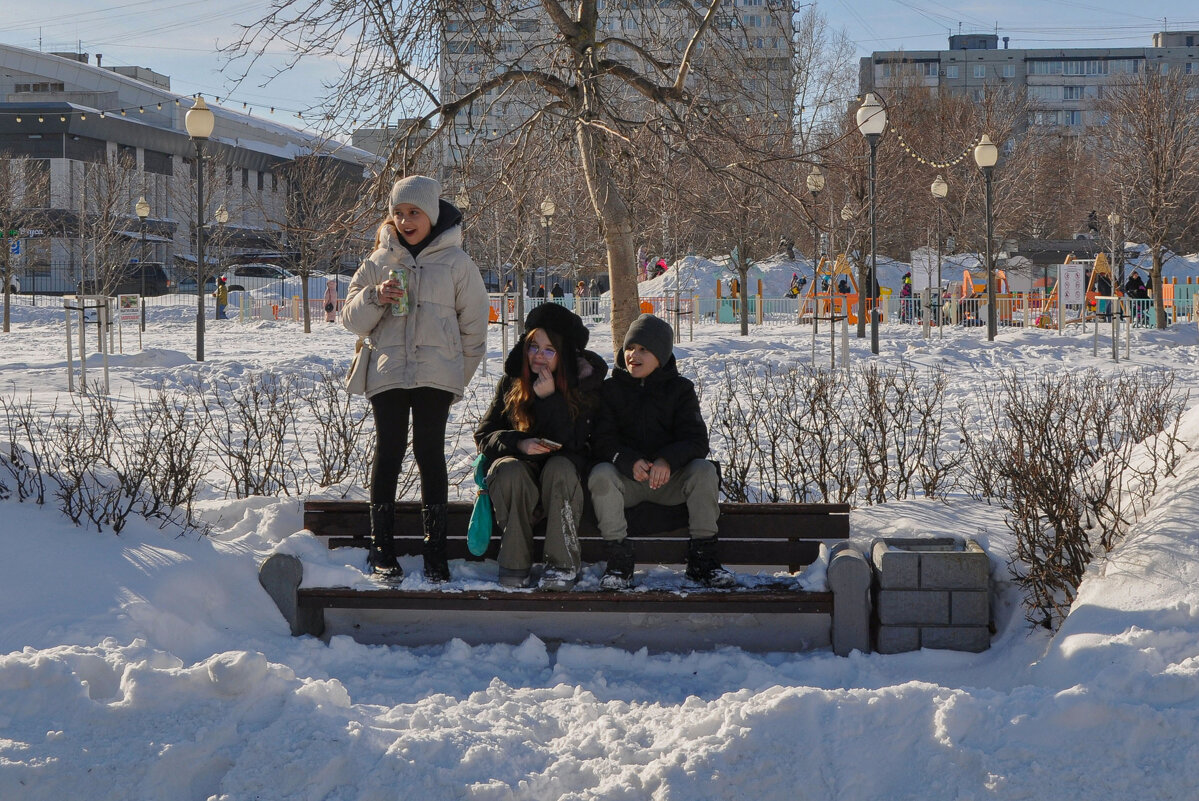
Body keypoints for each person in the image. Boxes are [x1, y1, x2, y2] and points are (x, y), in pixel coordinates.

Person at [342, 175, 489, 582]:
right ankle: (382, 548)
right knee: (388, 454)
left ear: (432, 214)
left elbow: (474, 332)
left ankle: (435, 553)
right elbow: (351, 320)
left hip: (435, 377)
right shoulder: (378, 261)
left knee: (430, 456)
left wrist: (453, 378)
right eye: (399, 213)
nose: (406, 221)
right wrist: (375, 297)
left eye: (415, 213)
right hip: (387, 370)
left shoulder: (458, 264)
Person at [589, 314, 734, 590]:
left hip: (670, 481)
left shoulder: (681, 390)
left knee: (704, 471)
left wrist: (667, 460)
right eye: (630, 347)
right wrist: (628, 461)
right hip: (627, 482)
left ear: (661, 354)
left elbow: (696, 441)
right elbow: (601, 440)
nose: (634, 355)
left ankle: (703, 560)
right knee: (600, 474)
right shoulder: (610, 390)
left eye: (644, 349)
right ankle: (619, 562)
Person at [475, 304, 608, 590]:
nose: (539, 356)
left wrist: (550, 400)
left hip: (564, 483)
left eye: (549, 350)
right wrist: (519, 443)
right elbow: (485, 435)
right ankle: (514, 564)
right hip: (520, 478)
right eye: (533, 346)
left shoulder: (584, 388)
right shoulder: (511, 384)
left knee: (559, 467)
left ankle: (561, 566)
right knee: (508, 470)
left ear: (565, 355)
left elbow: (577, 443)